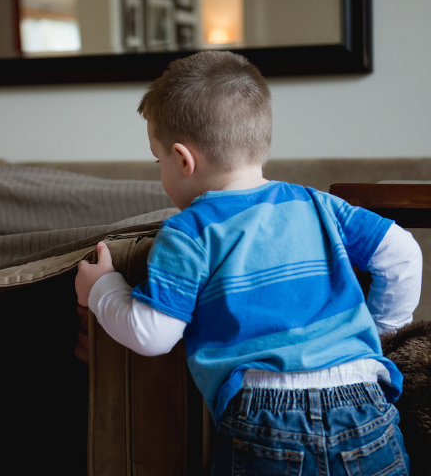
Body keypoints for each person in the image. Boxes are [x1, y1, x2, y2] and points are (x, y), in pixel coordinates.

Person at [75, 51, 422, 475]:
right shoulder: (317, 203)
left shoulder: (189, 231)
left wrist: (101, 288)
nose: (160, 170)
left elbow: (152, 334)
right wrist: (381, 330)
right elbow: (402, 253)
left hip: (267, 418)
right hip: (365, 400)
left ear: (184, 160)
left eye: (157, 159)